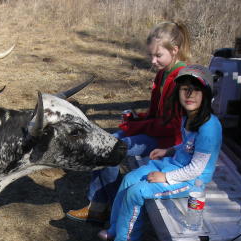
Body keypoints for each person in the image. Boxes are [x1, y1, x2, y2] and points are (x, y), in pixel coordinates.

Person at [66, 22, 192, 224]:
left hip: (167, 142)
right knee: (103, 144)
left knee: (109, 150)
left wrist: (136, 126)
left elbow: (171, 127)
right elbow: (155, 114)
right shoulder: (163, 74)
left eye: (158, 56)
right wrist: (137, 118)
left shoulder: (182, 80)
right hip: (156, 133)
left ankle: (115, 205)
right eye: (151, 55)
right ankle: (98, 206)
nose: (153, 61)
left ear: (175, 51)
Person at [98, 64, 222, 241]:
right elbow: (186, 146)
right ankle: (116, 228)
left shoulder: (209, 127)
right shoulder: (187, 116)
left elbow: (196, 169)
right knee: (130, 178)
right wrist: (169, 150)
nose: (190, 94)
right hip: (174, 163)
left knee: (136, 192)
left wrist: (165, 177)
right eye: (184, 89)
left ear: (207, 94)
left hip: (191, 180)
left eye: (196, 89)